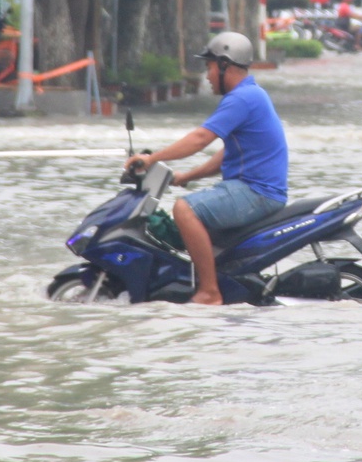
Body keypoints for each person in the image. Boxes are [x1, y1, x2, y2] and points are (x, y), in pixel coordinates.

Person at [121, 33, 289, 305]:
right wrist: (187, 176)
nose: (207, 76)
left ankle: (209, 291)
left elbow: (200, 139)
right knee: (191, 209)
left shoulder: (241, 99)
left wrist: (151, 159)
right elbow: (228, 155)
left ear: (224, 65)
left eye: (209, 67)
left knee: (184, 210)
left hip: (257, 192)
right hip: (255, 189)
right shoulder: (251, 95)